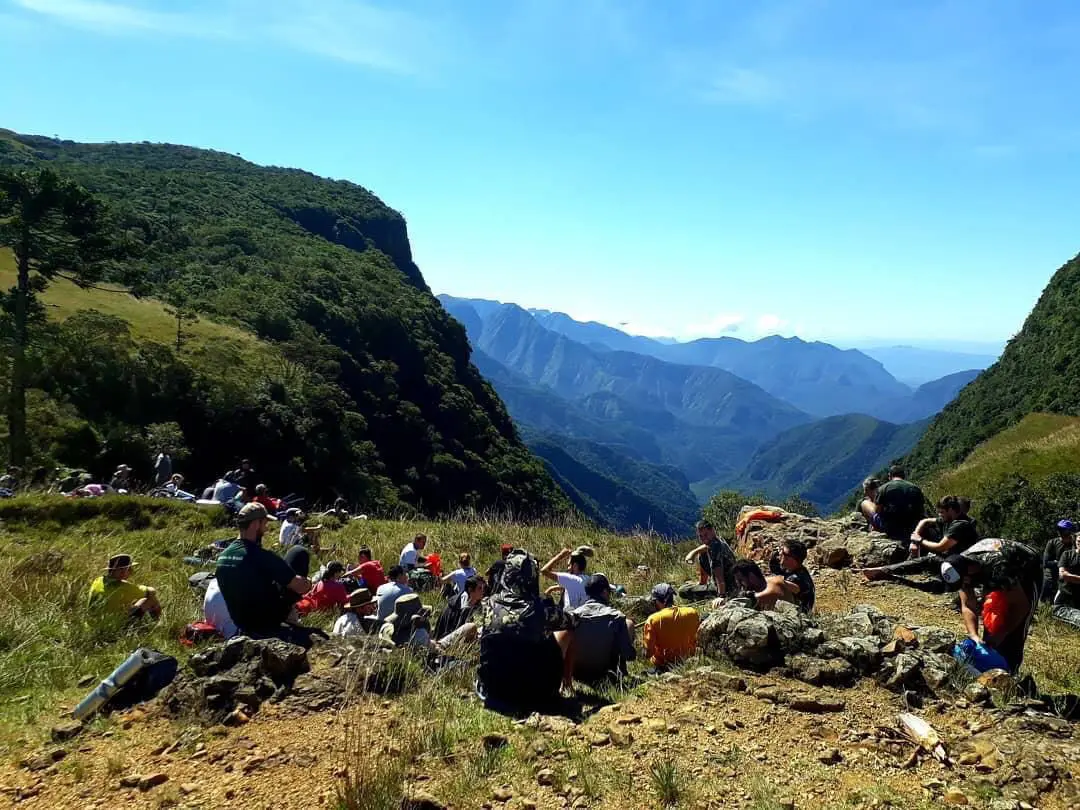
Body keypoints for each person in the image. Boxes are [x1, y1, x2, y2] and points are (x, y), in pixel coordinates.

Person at [476, 549, 567, 710]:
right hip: (533, 694)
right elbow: (571, 622)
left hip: (493, 691)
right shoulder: (540, 609)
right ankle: (561, 687)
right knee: (551, 637)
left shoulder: (487, 604)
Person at [940, 538, 1041, 674]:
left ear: (969, 572)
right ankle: (990, 663)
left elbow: (1021, 606)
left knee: (1015, 629)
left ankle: (1010, 674)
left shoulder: (998, 566)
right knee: (992, 616)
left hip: (1027, 570)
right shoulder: (958, 566)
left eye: (963, 582)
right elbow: (968, 604)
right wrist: (974, 636)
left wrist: (1003, 633)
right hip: (995, 572)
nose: (963, 586)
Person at [214, 502, 312, 641]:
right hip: (267, 622)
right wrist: (310, 583)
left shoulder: (223, 555)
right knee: (298, 552)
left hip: (242, 623)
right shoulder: (260, 556)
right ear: (255, 524)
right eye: (264, 524)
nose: (266, 529)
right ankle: (291, 620)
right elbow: (299, 587)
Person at [861, 496, 979, 586]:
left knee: (928, 560)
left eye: (942, 512)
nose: (939, 515)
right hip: (955, 559)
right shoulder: (950, 520)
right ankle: (886, 570)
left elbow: (940, 547)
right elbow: (925, 521)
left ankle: (882, 571)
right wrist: (915, 538)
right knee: (927, 543)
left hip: (960, 564)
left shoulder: (960, 525)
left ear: (952, 510)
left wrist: (920, 540)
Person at [557, 574, 636, 688]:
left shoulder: (573, 616)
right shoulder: (616, 617)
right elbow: (628, 655)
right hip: (606, 674)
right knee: (629, 624)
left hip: (578, 674)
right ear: (604, 592)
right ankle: (619, 676)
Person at [643, 583, 700, 672]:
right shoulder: (692, 612)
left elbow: (648, 653)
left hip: (664, 666)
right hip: (689, 661)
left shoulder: (653, 620)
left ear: (658, 601)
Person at [88, 554, 161, 619]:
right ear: (122, 571)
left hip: (92, 625)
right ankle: (157, 623)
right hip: (112, 627)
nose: (131, 572)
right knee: (149, 599)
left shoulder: (98, 580)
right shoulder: (123, 587)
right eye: (129, 569)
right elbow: (151, 591)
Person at [753, 539, 815, 613]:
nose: (779, 553)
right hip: (788, 606)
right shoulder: (789, 567)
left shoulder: (800, 579)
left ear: (791, 559)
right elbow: (774, 566)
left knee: (776, 586)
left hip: (797, 614)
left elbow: (780, 583)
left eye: (783, 552)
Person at [683, 520, 736, 596]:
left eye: (706, 535)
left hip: (727, 587)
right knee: (702, 553)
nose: (704, 539)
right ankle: (702, 582)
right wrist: (693, 553)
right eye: (700, 536)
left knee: (683, 590)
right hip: (732, 582)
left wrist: (722, 595)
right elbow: (705, 547)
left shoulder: (715, 548)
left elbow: (718, 573)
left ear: (712, 531)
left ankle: (710, 590)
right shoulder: (717, 540)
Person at [874, 466, 926, 542]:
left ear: (890, 476)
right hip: (913, 526)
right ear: (903, 475)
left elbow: (877, 510)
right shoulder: (915, 488)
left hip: (892, 528)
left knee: (871, 511)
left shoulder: (883, 489)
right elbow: (921, 510)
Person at [434, 574, 485, 647]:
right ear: (470, 590)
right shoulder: (458, 608)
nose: (483, 591)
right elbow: (454, 631)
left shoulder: (476, 602)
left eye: (483, 588)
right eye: (479, 588)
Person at [1043, 520, 1076, 603]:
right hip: (1052, 575)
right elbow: (1046, 562)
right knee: (1046, 598)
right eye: (1059, 530)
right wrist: (1062, 564)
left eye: (1063, 530)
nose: (1060, 532)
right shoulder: (1052, 542)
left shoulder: (1075, 543)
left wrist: (1057, 562)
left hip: (1068, 575)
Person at [1052, 530, 1080, 629]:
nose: (1079, 544)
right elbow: (1063, 575)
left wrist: (1073, 577)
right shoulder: (1067, 555)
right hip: (1064, 600)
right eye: (1078, 541)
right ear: (1075, 542)